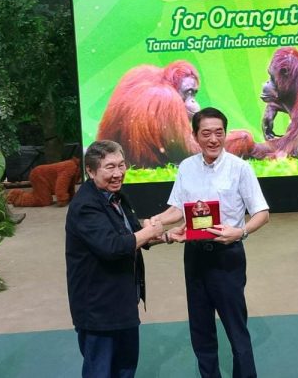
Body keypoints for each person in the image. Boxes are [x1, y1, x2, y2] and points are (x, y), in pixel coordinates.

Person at [155, 107, 270, 378]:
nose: (213, 139)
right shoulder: (187, 167)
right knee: (201, 329)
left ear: (225, 134)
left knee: (235, 329)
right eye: (206, 133)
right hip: (194, 256)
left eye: (219, 133)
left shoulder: (239, 168)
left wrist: (240, 232)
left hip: (227, 255)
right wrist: (154, 222)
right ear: (195, 136)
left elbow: (262, 214)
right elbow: (178, 209)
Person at [65, 140, 164, 377]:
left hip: (123, 303)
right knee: (101, 370)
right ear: (90, 171)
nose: (118, 173)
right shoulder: (85, 206)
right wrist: (150, 231)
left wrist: (165, 236)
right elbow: (111, 246)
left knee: (125, 367)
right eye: (110, 167)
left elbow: (129, 234)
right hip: (99, 310)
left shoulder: (117, 197)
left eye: (122, 165)